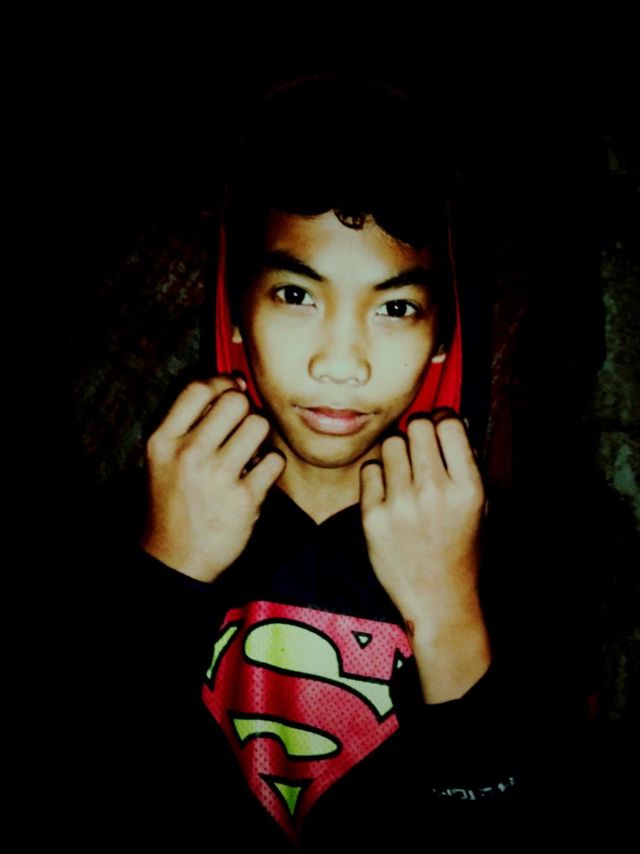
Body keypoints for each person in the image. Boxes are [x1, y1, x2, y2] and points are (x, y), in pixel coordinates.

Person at [99, 75, 583, 848]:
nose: (341, 363)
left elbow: (513, 836)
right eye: (297, 295)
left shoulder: (521, 554)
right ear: (236, 310)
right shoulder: (136, 515)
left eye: (395, 307)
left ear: (442, 337)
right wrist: (164, 578)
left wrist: (449, 613)